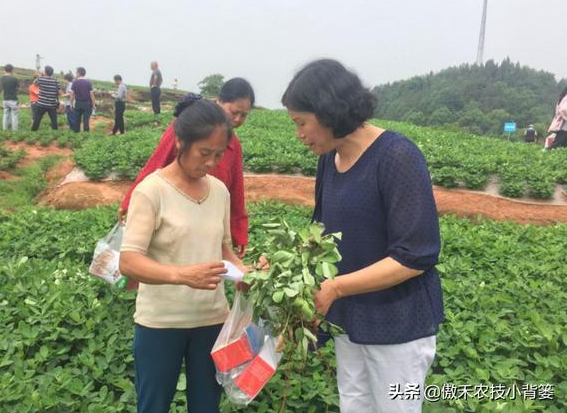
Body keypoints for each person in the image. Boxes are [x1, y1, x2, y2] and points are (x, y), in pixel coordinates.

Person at [281, 59, 444, 413]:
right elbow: (320, 233)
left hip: (397, 325)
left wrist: (337, 287)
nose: (300, 134)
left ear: (328, 112)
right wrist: (284, 265)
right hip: (349, 321)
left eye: (302, 123)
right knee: (354, 405)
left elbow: (415, 256)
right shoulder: (330, 159)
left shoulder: (397, 157)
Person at [119, 98, 249, 413]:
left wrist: (247, 275)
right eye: (204, 153)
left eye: (218, 155)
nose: (211, 163)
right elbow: (129, 261)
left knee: (206, 406)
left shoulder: (219, 191)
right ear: (180, 142)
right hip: (161, 323)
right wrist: (181, 275)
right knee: (154, 405)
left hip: (211, 320)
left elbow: (223, 250)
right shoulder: (151, 191)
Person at [119, 78, 255, 259]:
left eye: (244, 115)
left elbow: (236, 190)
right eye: (234, 112)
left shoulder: (232, 148)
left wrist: (239, 230)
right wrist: (131, 201)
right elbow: (156, 163)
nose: (237, 119)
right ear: (219, 102)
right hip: (174, 213)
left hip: (207, 216)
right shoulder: (188, 129)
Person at [31, 66, 60, 131]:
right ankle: (55, 132)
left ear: (45, 72)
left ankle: (33, 132)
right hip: (52, 104)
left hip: (41, 103)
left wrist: (41, 75)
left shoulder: (41, 79)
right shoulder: (56, 81)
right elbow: (58, 91)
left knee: (37, 119)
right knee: (54, 120)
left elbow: (34, 83)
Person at [70, 67, 96, 132]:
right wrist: (93, 105)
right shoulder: (88, 82)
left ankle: (76, 134)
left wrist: (71, 104)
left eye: (76, 73)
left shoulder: (75, 82)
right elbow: (92, 95)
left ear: (78, 73)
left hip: (78, 103)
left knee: (77, 120)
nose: (75, 74)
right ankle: (86, 135)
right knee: (86, 120)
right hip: (87, 104)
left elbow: (72, 94)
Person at [0, 64, 19, 131]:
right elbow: (17, 88)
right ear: (12, 70)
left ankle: (4, 129)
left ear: (5, 70)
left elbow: (3, 88)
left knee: (5, 114)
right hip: (13, 99)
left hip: (5, 99)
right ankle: (15, 130)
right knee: (14, 115)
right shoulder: (15, 78)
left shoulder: (2, 78)